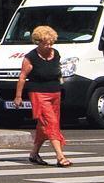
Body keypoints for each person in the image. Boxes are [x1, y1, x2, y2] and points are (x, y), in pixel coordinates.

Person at [12, 22, 71, 167]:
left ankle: (34, 153)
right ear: (38, 42)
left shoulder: (55, 54)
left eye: (51, 43)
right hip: (38, 93)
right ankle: (60, 156)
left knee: (44, 125)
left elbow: (57, 73)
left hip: (54, 93)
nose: (49, 46)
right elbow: (22, 77)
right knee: (51, 123)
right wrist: (18, 96)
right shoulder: (30, 57)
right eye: (46, 44)